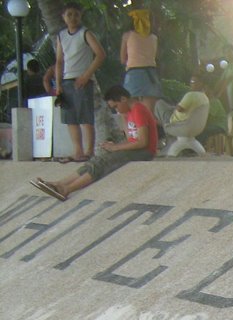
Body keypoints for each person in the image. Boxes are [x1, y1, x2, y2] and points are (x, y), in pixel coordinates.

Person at [29, 85, 157, 203]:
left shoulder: (138, 110)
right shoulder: (128, 112)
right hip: (135, 149)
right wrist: (121, 124)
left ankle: (67, 189)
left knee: (104, 162)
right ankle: (59, 183)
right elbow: (130, 139)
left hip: (145, 152)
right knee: (97, 159)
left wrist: (116, 147)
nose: (116, 110)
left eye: (116, 106)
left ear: (123, 99)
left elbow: (143, 142)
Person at [54, 1, 106, 162]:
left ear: (80, 16)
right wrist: (58, 84)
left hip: (83, 80)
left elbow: (100, 55)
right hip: (66, 80)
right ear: (63, 17)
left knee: (85, 117)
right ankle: (78, 151)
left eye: (76, 14)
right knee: (71, 119)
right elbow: (59, 61)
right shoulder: (61, 36)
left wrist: (86, 75)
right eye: (69, 14)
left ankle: (89, 152)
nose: (73, 17)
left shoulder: (86, 33)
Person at [121, 8, 161, 115]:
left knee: (130, 111)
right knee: (149, 114)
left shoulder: (127, 36)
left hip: (133, 73)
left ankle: (135, 131)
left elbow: (122, 59)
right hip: (150, 75)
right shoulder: (154, 38)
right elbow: (155, 56)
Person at [153, 71, 210, 136]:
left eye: (193, 82)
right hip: (190, 124)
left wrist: (177, 106)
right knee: (169, 106)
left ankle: (163, 127)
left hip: (176, 122)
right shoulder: (205, 97)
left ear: (201, 84)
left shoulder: (191, 95)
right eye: (191, 82)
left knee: (159, 103)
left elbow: (180, 109)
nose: (191, 84)